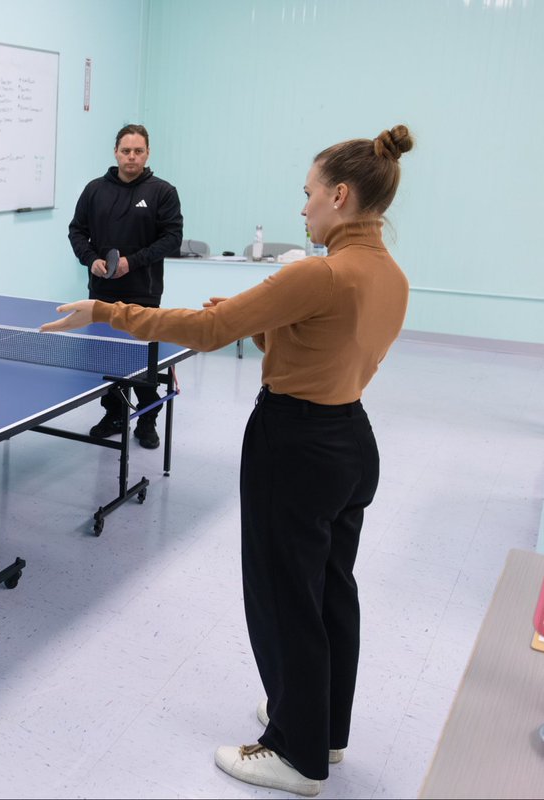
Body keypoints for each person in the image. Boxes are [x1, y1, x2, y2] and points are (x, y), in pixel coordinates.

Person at [43, 125, 415, 796]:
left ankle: (293, 755)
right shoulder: (388, 273)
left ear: (338, 194)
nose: (300, 208)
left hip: (293, 442)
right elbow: (308, 333)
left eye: (306, 195)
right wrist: (252, 310)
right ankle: (323, 730)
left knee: (281, 599)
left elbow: (211, 332)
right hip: (350, 441)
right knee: (330, 592)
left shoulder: (319, 271)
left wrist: (105, 309)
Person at [67, 123, 183, 449]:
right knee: (107, 360)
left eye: (138, 151)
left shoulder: (163, 192)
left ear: (147, 154)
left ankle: (147, 417)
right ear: (116, 152)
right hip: (101, 292)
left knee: (141, 362)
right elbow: (77, 231)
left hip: (142, 293)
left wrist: (134, 261)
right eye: (126, 150)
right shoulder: (94, 190)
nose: (131, 157)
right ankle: (115, 413)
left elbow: (172, 238)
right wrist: (91, 259)